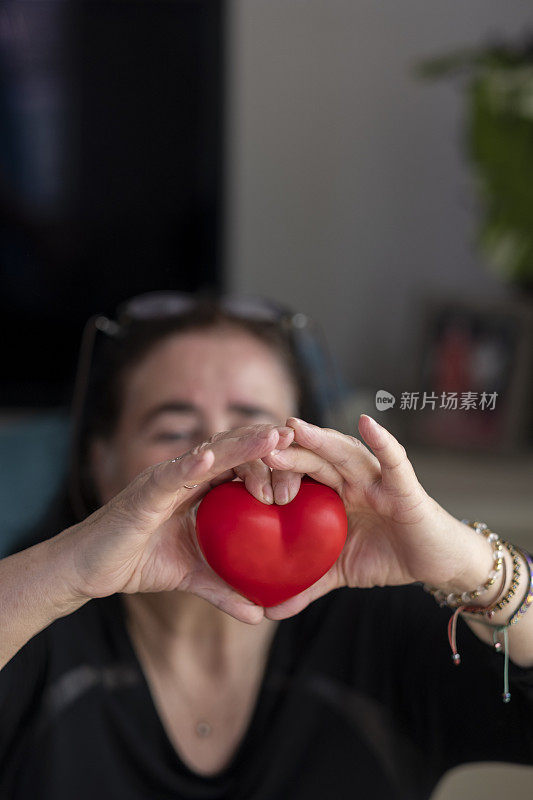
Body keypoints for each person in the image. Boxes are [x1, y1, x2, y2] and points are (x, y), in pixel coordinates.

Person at [0, 293, 532, 800]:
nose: (222, 456)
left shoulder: (380, 625)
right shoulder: (39, 618)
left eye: (254, 429)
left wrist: (467, 563)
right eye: (172, 430)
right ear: (102, 463)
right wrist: (69, 569)